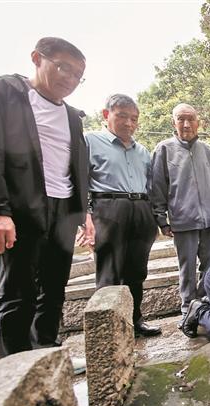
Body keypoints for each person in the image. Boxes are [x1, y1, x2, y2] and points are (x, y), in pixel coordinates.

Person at [0, 37, 89, 357]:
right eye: (63, 68)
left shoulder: (72, 115)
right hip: (19, 209)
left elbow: (76, 164)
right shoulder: (0, 94)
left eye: (77, 75)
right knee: (18, 293)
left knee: (54, 290)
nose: (70, 79)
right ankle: (16, 366)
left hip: (62, 210)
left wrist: (82, 212)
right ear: (36, 58)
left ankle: (45, 351)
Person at [79, 94, 160, 337]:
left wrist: (155, 218)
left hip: (141, 210)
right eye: (122, 116)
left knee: (137, 271)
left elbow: (152, 185)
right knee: (110, 272)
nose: (129, 123)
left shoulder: (142, 151)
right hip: (108, 210)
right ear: (106, 115)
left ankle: (136, 321)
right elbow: (80, 181)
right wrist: (85, 217)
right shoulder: (89, 141)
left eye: (134, 118)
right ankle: (109, 330)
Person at [150, 103, 210, 328]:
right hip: (183, 219)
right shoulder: (164, 149)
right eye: (181, 119)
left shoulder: (207, 150)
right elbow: (157, 186)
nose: (186, 124)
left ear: (198, 123)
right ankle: (188, 308)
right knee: (186, 267)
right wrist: (161, 218)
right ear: (173, 123)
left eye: (191, 119)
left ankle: (204, 303)